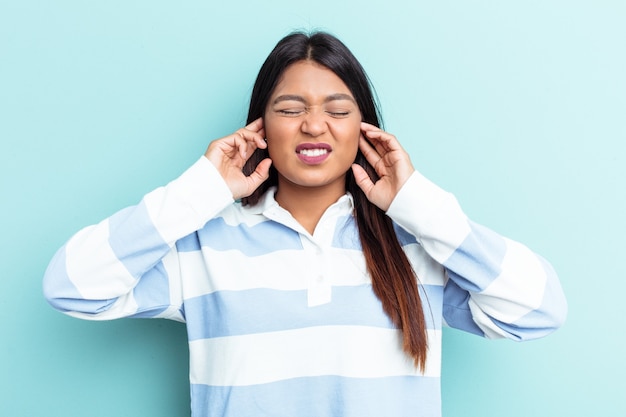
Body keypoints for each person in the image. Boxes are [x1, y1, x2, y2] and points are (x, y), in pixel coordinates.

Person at [43, 31, 567, 417]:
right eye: (290, 108)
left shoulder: (415, 247)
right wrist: (201, 190)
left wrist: (417, 204)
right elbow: (72, 286)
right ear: (259, 128)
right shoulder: (205, 245)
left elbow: (538, 311)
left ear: (364, 130)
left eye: (337, 110)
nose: (314, 124)